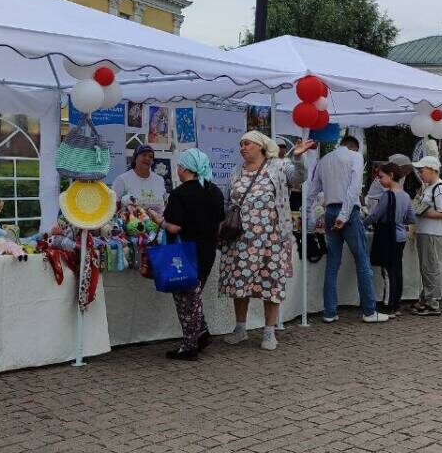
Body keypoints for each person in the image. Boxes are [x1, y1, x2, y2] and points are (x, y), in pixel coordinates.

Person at [220, 132, 314, 351]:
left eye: (247, 143)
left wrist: (298, 157)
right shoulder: (236, 171)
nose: (243, 148)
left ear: (261, 146)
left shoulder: (278, 166)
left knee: (271, 284)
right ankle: (240, 329)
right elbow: (227, 202)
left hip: (272, 240)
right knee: (240, 284)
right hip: (241, 241)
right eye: (241, 144)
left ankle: (269, 332)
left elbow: (299, 177)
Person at [160, 149, 225, 360]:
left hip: (184, 254)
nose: (177, 170)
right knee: (193, 297)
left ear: (185, 168)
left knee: (185, 301)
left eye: (179, 166)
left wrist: (157, 220)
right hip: (207, 252)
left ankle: (189, 347)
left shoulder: (179, 194)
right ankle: (202, 333)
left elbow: (174, 227)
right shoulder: (215, 191)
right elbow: (220, 222)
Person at [306, 135, 378, 323]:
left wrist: (308, 219)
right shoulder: (355, 157)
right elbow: (354, 189)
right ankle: (369, 311)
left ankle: (329, 311)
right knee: (362, 260)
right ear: (355, 148)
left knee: (332, 263)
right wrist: (344, 215)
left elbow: (312, 192)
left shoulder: (324, 160)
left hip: (330, 210)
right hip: (348, 212)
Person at [364, 163, 415, 318]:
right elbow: (411, 217)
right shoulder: (406, 195)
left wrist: (362, 223)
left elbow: (375, 215)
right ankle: (396, 303)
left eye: (381, 177)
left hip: (388, 236)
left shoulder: (387, 195)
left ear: (391, 175)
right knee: (397, 270)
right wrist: (400, 220)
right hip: (400, 236)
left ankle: (389, 305)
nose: (379, 180)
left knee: (387, 270)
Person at [411, 156, 442, 316]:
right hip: (426, 232)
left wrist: (422, 212)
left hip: (432, 233)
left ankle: (432, 302)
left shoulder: (440, 189)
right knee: (427, 267)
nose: (420, 174)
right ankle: (426, 299)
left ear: (433, 170)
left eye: (422, 171)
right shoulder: (429, 187)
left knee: (431, 267)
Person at [112, 144, 167, 217]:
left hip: (159, 223)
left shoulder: (160, 180)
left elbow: (165, 203)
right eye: (144, 155)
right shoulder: (122, 180)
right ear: (135, 158)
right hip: (132, 223)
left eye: (150, 157)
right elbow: (113, 208)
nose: (147, 158)